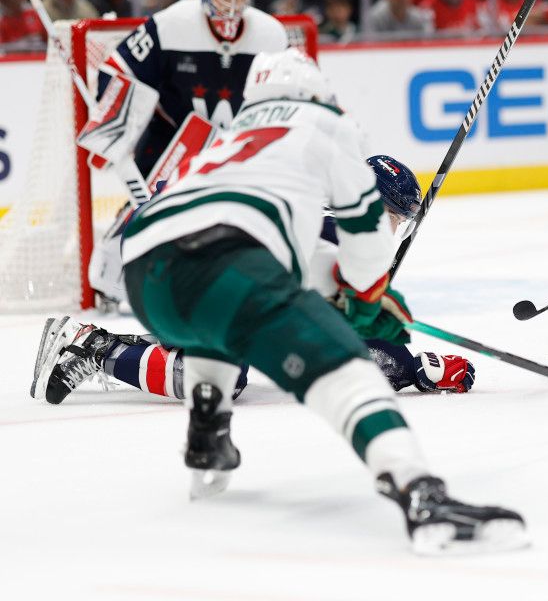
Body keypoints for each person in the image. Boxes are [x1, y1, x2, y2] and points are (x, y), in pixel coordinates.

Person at [60, 49, 524, 553]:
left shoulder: (236, 136)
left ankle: (207, 427)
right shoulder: (327, 127)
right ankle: (418, 489)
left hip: (145, 268)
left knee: (229, 333)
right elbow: (363, 260)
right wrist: (374, 303)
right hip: (225, 259)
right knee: (344, 373)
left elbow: (297, 262)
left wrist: (355, 299)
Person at [32, 155, 476, 405]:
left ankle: (94, 342)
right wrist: (414, 366)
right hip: (175, 251)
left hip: (172, 244)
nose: (395, 230)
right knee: (220, 379)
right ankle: (94, 347)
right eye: (394, 217)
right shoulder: (330, 231)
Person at [77, 0, 289, 309]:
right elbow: (117, 70)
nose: (231, 6)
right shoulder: (173, 23)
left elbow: (292, 91)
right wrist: (117, 126)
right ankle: (110, 275)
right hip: (173, 139)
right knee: (152, 210)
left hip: (238, 146)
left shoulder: (271, 35)